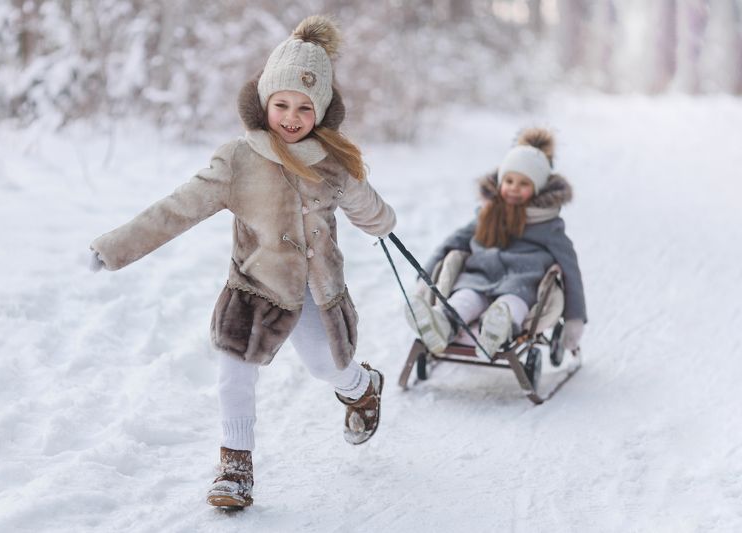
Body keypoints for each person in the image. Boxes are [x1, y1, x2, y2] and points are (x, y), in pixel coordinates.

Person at [88, 15, 396, 509]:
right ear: (263, 102)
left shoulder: (332, 164)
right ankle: (235, 467)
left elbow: (367, 204)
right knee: (234, 371)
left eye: (304, 107)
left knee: (326, 365)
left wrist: (383, 225)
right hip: (255, 288)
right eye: (282, 105)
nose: (291, 118)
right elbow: (178, 207)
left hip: (316, 290)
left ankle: (361, 387)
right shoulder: (238, 159)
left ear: (320, 111)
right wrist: (115, 246)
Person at [407, 127, 586, 357]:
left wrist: (575, 317)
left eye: (523, 184)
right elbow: (453, 242)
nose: (513, 188)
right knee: (464, 299)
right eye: (509, 180)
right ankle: (442, 324)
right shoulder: (488, 214)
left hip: (522, 285)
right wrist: (425, 276)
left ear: (538, 188)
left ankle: (495, 333)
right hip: (478, 277)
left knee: (508, 307)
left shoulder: (549, 226)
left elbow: (571, 269)